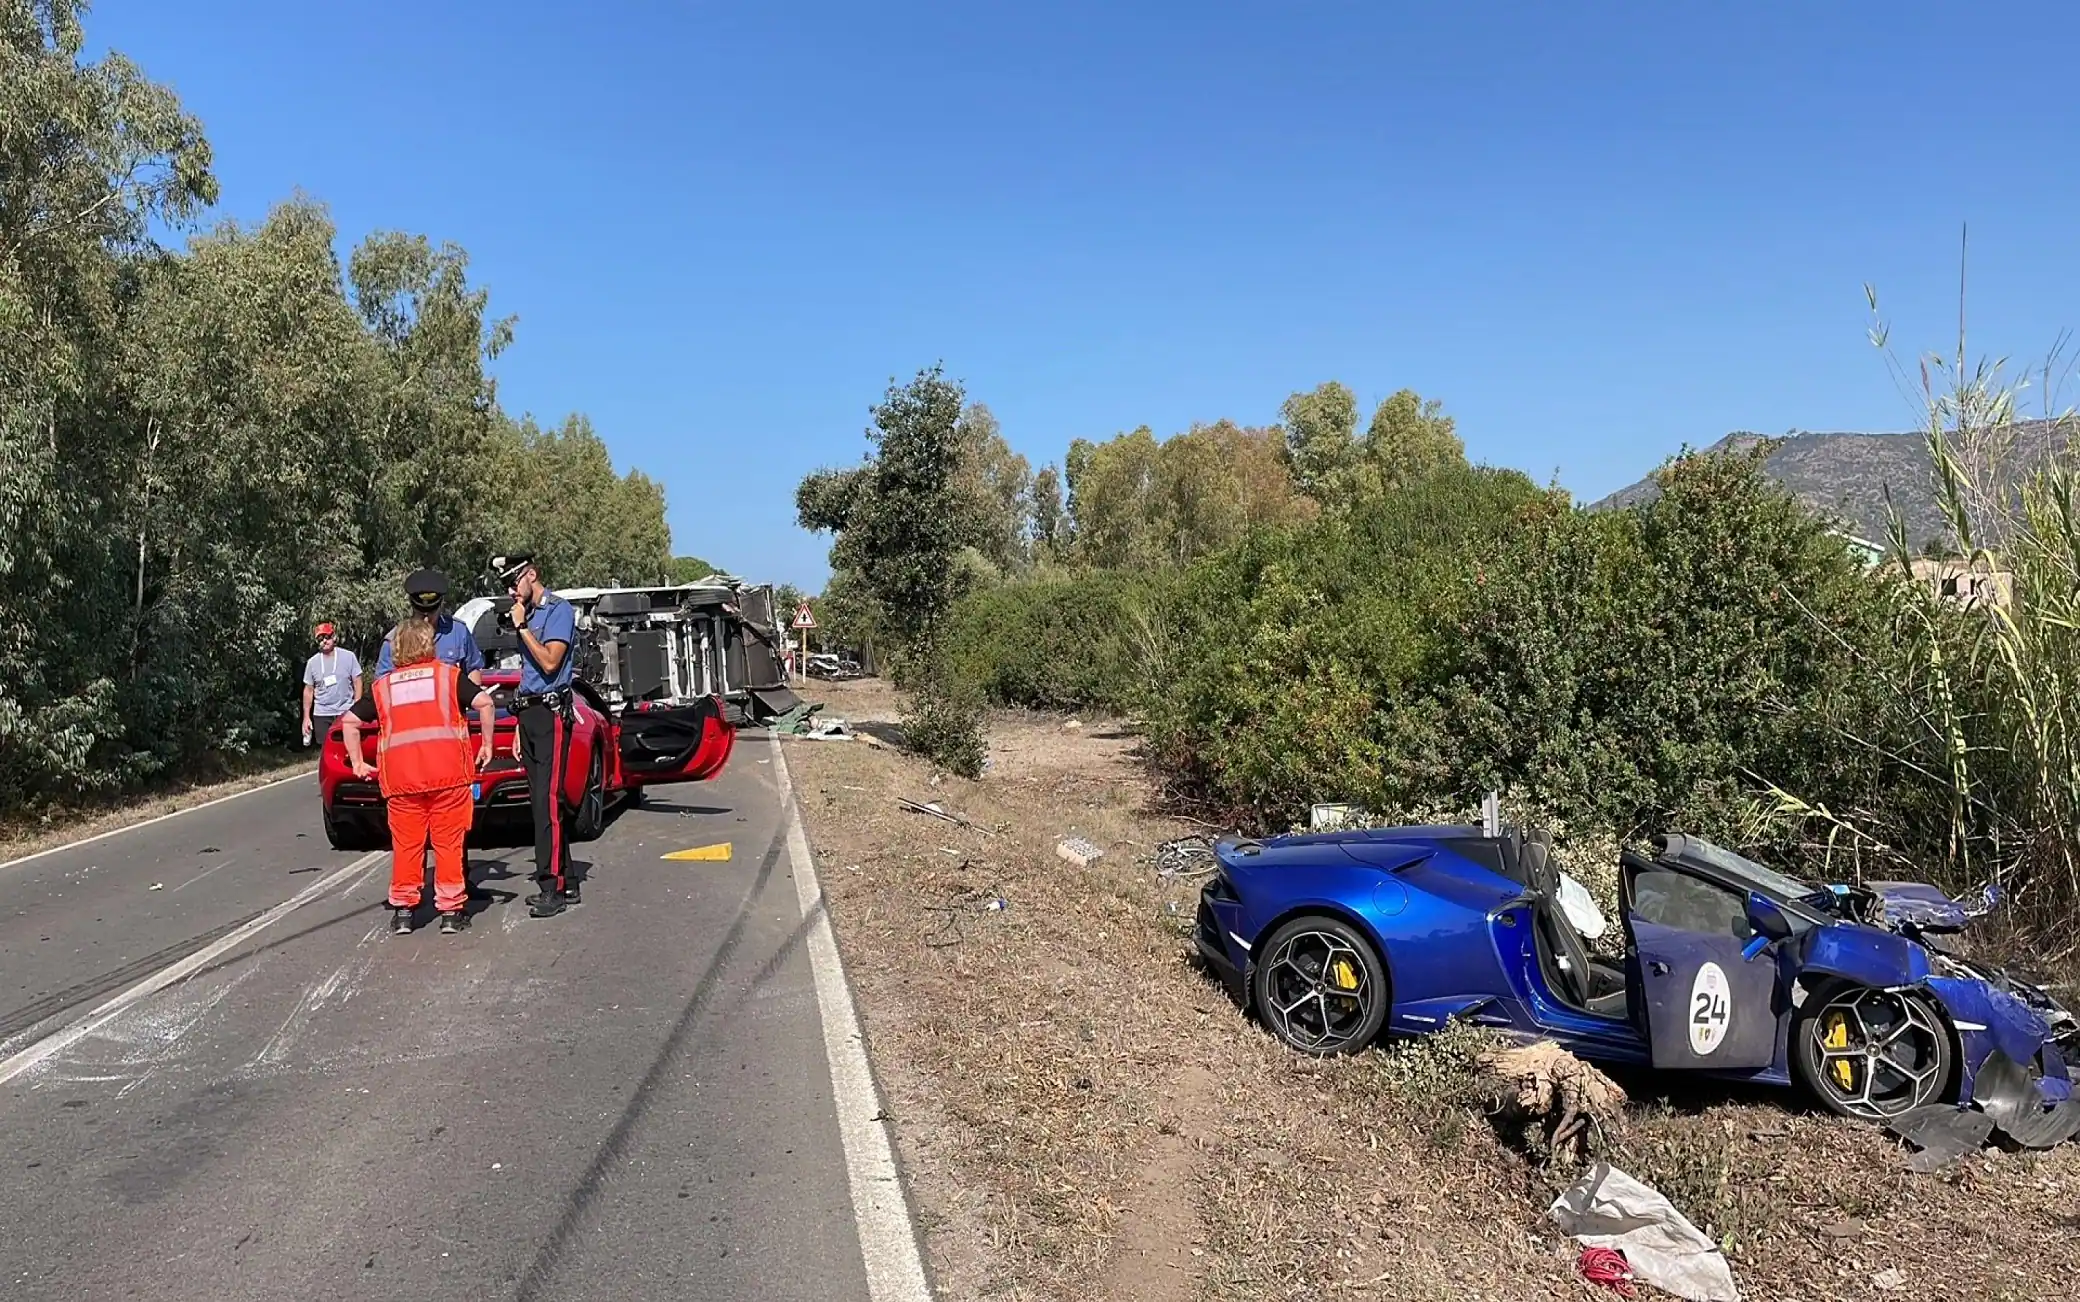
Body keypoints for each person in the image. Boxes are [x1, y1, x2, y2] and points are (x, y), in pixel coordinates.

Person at [341, 613, 496, 936]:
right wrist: (488, 745)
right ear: (428, 644)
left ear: (396, 648)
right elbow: (485, 703)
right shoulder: (448, 677)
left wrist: (357, 763)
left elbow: (350, 722)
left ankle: (403, 911)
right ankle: (451, 912)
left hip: (401, 780)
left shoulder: (383, 687)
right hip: (448, 775)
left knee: (407, 846)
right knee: (448, 845)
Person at [495, 551, 580, 918]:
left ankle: (553, 887)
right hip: (529, 712)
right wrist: (517, 724)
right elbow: (527, 677)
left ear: (532, 575)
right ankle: (569, 878)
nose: (512, 591)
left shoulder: (558, 611)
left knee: (549, 802)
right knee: (538, 803)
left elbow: (549, 662)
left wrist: (521, 629)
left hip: (551, 714)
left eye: (515, 583)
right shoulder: (527, 615)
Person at [373, 568, 485, 686]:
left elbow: (473, 670)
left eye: (431, 614)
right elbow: (382, 684)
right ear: (412, 605)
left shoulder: (458, 632)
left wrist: (472, 697)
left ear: (441, 605)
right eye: (421, 614)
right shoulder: (394, 641)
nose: (426, 620)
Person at [301, 622, 363, 748]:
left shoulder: (348, 656)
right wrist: (306, 717)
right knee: (327, 751)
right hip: (322, 714)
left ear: (334, 637)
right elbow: (308, 691)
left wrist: (358, 706)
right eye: (320, 639)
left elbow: (358, 681)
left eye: (327, 637)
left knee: (350, 748)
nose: (324, 641)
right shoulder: (312, 663)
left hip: (346, 711)